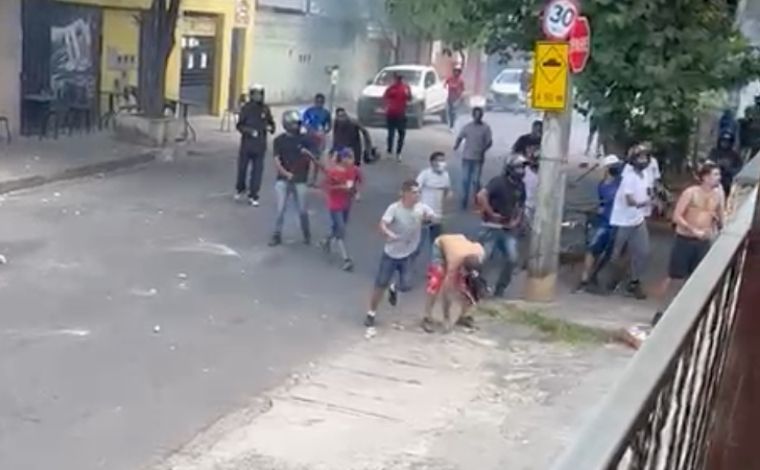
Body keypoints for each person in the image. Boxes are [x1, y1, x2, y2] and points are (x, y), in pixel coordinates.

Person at [652, 163, 724, 325]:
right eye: (715, 175)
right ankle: (661, 311)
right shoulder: (691, 193)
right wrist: (693, 230)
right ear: (705, 177)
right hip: (685, 239)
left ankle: (687, 314)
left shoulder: (717, 195)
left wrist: (719, 230)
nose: (718, 178)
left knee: (696, 278)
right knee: (675, 277)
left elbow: (720, 217)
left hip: (703, 241)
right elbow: (677, 216)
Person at [365, 180, 439, 335]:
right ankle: (371, 313)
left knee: (406, 285)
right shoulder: (394, 208)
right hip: (391, 253)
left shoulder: (421, 208)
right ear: (404, 193)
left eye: (418, 192)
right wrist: (388, 233)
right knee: (380, 284)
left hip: (408, 254)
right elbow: (382, 224)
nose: (417, 195)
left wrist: (431, 218)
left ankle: (394, 288)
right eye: (413, 192)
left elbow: (432, 217)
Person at [476, 157, 527, 297]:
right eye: (518, 167)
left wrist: (517, 220)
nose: (521, 171)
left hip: (508, 229)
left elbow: (520, 205)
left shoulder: (520, 186)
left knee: (512, 259)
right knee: (483, 258)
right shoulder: (498, 182)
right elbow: (481, 196)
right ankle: (477, 285)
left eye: (523, 167)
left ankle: (500, 288)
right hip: (491, 227)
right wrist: (491, 213)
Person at [605, 148, 652, 299]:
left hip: (638, 219)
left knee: (643, 252)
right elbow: (629, 200)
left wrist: (654, 198)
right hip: (623, 221)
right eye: (640, 158)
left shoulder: (646, 174)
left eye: (645, 158)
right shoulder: (628, 176)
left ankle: (634, 281)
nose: (643, 161)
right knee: (616, 254)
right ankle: (611, 280)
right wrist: (645, 203)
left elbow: (649, 190)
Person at [423, 234, 487, 333]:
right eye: (463, 272)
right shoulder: (454, 261)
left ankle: (463, 316)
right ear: (461, 267)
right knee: (436, 282)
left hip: (460, 243)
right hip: (441, 245)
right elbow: (446, 292)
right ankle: (427, 316)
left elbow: (474, 285)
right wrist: (446, 318)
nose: (462, 274)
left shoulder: (480, 253)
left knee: (469, 286)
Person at [577, 155, 623, 292]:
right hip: (604, 221)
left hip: (617, 222)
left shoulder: (620, 182)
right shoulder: (605, 186)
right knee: (593, 249)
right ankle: (585, 278)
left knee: (612, 253)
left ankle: (599, 278)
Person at [269, 110, 314, 247]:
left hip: (300, 179)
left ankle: (307, 234)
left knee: (302, 210)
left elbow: (315, 157)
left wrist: (308, 153)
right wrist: (286, 173)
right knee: (280, 209)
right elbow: (277, 160)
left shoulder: (305, 139)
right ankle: (276, 235)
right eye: (294, 124)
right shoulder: (279, 141)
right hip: (283, 179)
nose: (297, 126)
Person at [319, 148, 362, 272]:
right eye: (348, 158)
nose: (351, 160)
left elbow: (359, 181)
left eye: (352, 157)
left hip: (346, 204)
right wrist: (339, 187)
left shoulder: (355, 170)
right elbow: (326, 186)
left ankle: (326, 240)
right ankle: (346, 259)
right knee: (341, 229)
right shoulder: (333, 172)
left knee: (338, 227)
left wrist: (357, 192)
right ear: (342, 159)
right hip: (335, 204)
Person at [235, 85, 275, 206]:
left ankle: (254, 195)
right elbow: (239, 126)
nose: (257, 96)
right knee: (242, 169)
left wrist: (270, 128)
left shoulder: (265, 109)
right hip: (247, 145)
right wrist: (249, 131)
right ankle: (240, 188)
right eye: (255, 94)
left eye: (260, 94)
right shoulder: (246, 108)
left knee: (257, 172)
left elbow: (271, 123)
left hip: (260, 145)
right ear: (251, 95)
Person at [415, 152, 452, 260]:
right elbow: (416, 190)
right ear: (432, 162)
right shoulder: (425, 174)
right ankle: (408, 263)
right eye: (439, 160)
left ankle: (435, 267)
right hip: (424, 213)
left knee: (437, 243)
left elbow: (447, 190)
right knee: (418, 242)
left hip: (437, 215)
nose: (442, 163)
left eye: (443, 160)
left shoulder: (446, 175)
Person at [454, 107, 493, 210]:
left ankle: (477, 198)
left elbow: (489, 142)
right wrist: (456, 145)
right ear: (473, 115)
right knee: (465, 180)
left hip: (478, 158)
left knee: (475, 181)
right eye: (475, 115)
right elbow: (460, 137)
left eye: (479, 115)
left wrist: (483, 149)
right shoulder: (468, 127)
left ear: (481, 116)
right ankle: (464, 200)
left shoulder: (485, 128)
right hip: (467, 157)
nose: (477, 117)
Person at [302, 93, 332, 186]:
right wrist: (310, 130)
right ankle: (304, 178)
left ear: (323, 102)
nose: (319, 103)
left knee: (316, 159)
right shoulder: (309, 111)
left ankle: (314, 180)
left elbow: (329, 125)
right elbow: (303, 122)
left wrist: (324, 132)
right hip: (309, 136)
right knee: (306, 158)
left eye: (321, 102)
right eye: (317, 101)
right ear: (315, 101)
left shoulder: (326, 113)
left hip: (319, 138)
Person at [383, 73, 412, 162]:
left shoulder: (402, 88)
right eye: (398, 78)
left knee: (397, 134)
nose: (399, 80)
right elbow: (385, 98)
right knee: (394, 134)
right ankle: (393, 152)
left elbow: (409, 98)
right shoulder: (394, 88)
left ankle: (395, 152)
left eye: (399, 78)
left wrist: (386, 106)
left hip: (398, 114)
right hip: (395, 114)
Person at [708, 131, 743, 197]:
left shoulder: (734, 155)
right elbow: (708, 164)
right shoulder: (714, 152)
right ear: (720, 141)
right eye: (723, 141)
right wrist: (717, 166)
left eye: (727, 141)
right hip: (713, 181)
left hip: (727, 181)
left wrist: (730, 170)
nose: (725, 143)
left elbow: (739, 168)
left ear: (730, 143)